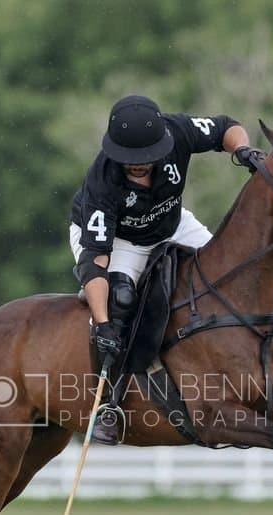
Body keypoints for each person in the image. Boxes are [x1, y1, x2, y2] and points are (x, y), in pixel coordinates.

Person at [69, 94, 262, 445]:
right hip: (118, 240)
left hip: (170, 224)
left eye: (146, 158)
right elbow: (95, 261)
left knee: (233, 275)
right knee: (122, 300)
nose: (139, 165)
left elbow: (225, 128)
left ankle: (263, 367)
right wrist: (103, 323)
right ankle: (111, 404)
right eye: (131, 160)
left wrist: (243, 151)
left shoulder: (178, 131)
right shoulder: (103, 182)